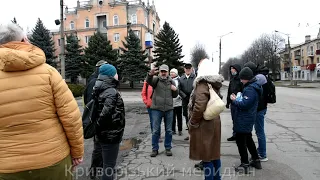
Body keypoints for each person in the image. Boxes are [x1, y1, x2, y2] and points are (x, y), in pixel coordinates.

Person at [0, 23, 84, 179]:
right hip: (53, 161)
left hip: (7, 167)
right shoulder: (48, 73)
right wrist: (77, 152)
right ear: (24, 40)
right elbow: (71, 118)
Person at [188, 59, 224, 180]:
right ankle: (217, 178)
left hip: (205, 124)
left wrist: (193, 122)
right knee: (214, 155)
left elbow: (199, 106)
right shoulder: (214, 83)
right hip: (214, 121)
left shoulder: (202, 84)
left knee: (207, 156)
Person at [93, 64, 125, 180]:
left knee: (107, 165)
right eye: (115, 72)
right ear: (111, 75)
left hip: (103, 134)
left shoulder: (100, 87)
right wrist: (98, 126)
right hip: (110, 135)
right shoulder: (111, 91)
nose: (117, 75)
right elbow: (105, 114)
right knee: (109, 167)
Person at [230, 67, 262, 173]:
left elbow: (245, 104)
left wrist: (234, 100)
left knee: (240, 141)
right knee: (248, 139)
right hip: (247, 117)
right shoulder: (252, 87)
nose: (241, 80)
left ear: (247, 78)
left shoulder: (250, 89)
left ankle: (244, 164)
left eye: (242, 78)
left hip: (244, 118)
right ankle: (256, 160)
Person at [82, 60, 108, 180]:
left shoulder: (97, 80)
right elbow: (90, 103)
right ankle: (94, 171)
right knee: (99, 147)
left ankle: (99, 169)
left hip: (100, 118)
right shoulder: (94, 82)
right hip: (97, 119)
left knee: (100, 146)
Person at [146, 64, 179, 157]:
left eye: (165, 71)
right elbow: (149, 81)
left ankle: (168, 148)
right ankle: (154, 149)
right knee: (156, 130)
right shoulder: (156, 79)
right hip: (156, 109)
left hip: (168, 109)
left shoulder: (171, 81)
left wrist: (175, 89)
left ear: (168, 72)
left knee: (168, 130)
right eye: (162, 71)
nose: (163, 73)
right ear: (159, 72)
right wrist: (150, 74)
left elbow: (175, 95)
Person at [245, 62, 271, 162]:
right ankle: (260, 151)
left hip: (259, 109)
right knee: (259, 131)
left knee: (259, 131)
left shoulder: (259, 78)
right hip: (261, 107)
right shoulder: (261, 77)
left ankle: (262, 154)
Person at [178, 63, 196, 140]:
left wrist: (193, 95)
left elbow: (197, 88)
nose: (188, 70)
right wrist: (184, 96)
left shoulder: (195, 78)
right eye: (186, 69)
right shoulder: (181, 78)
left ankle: (195, 134)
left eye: (189, 69)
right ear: (184, 69)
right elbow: (179, 89)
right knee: (186, 115)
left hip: (194, 99)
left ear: (191, 69)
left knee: (194, 115)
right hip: (185, 99)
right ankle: (190, 133)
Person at [226, 64, 243, 141]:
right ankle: (235, 134)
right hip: (232, 103)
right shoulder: (232, 79)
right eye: (231, 68)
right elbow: (229, 91)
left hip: (239, 103)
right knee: (234, 119)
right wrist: (228, 102)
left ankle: (239, 135)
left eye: (233, 68)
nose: (231, 70)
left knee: (238, 120)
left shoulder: (241, 79)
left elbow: (243, 91)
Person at [170, 68, 183, 136]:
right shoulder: (168, 80)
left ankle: (180, 130)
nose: (171, 73)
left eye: (173, 72)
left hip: (179, 101)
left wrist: (181, 96)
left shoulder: (180, 80)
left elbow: (182, 89)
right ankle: (173, 130)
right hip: (171, 101)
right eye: (171, 72)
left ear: (176, 73)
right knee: (172, 117)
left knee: (179, 117)